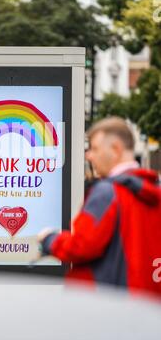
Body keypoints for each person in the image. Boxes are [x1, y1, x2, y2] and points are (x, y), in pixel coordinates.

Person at [37, 117, 161, 297]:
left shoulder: (107, 193)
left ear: (116, 150)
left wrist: (50, 239)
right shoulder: (152, 191)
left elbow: (81, 245)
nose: (89, 155)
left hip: (107, 303)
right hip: (146, 305)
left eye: (95, 148)